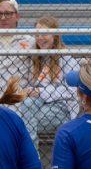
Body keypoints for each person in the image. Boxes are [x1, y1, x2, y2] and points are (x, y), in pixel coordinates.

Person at [17, 17, 78, 146]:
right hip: (38, 105)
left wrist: (40, 91)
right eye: (37, 34)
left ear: (55, 35)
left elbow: (71, 91)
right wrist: (30, 90)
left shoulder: (66, 57)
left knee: (22, 122)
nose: (40, 37)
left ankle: (31, 155)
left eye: (44, 33)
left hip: (62, 106)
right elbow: (33, 84)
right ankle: (32, 155)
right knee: (27, 107)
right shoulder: (37, 57)